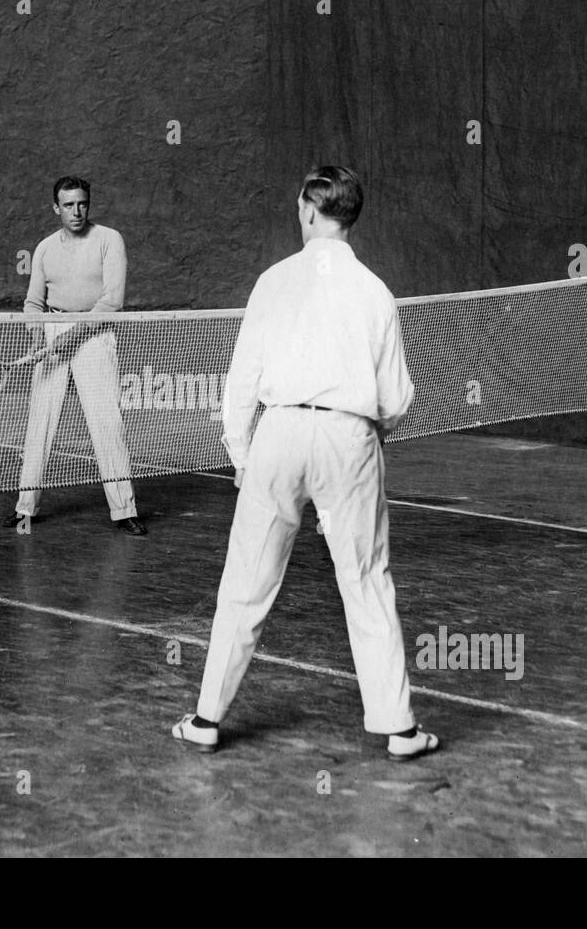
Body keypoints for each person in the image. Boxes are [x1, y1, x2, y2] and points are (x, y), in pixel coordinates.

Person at [171, 166, 439, 760]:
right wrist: (363, 438)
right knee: (368, 580)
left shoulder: (272, 282)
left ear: (308, 209)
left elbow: (241, 381)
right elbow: (396, 400)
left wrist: (243, 456)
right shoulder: (374, 290)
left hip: (280, 434)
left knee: (244, 582)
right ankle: (398, 730)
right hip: (349, 439)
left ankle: (206, 718)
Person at [3, 176, 146, 536]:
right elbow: (34, 303)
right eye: (68, 205)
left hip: (94, 335)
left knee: (107, 424)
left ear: (89, 203)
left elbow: (112, 300)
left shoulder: (109, 240)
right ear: (56, 208)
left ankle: (124, 509)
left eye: (82, 203)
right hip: (52, 332)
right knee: (40, 424)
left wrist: (73, 335)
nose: (76, 211)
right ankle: (26, 509)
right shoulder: (45, 248)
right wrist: (37, 334)